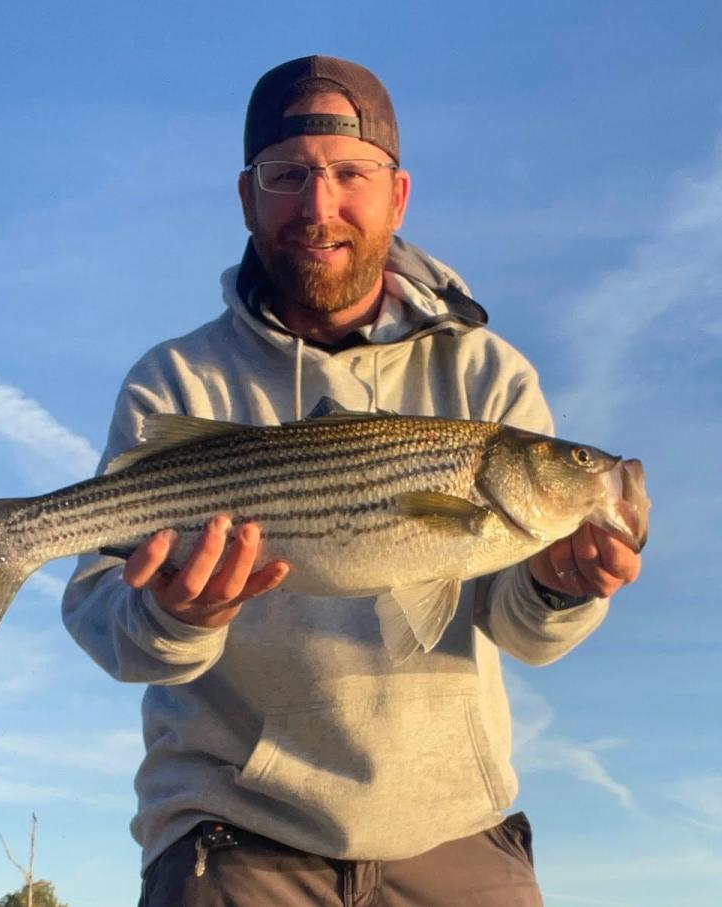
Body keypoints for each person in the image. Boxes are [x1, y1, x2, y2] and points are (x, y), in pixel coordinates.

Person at [62, 55, 642, 907]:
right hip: (235, 837)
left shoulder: (491, 376)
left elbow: (521, 631)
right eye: (286, 175)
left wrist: (557, 590)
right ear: (247, 197)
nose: (318, 205)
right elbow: (103, 613)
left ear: (397, 194)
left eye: (349, 174)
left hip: (456, 835)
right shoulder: (175, 378)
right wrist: (171, 617)